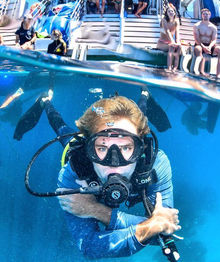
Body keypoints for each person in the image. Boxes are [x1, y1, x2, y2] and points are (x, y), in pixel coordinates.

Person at [14, 90, 177, 260]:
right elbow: (90, 247)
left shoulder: (155, 165)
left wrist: (97, 211)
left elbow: (165, 230)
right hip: (76, 147)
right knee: (61, 129)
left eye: (126, 148)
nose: (115, 162)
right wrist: (150, 226)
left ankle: (144, 96)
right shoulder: (73, 173)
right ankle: (46, 102)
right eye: (102, 148)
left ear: (141, 148)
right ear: (88, 149)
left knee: (138, 116)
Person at [192, 8, 220, 78]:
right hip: (200, 44)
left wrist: (209, 47)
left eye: (207, 14)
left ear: (209, 15)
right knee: (198, 49)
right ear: (202, 16)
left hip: (210, 46)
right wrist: (204, 47)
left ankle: (218, 73)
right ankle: (201, 71)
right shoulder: (197, 26)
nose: (205, 15)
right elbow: (196, 39)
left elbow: (214, 40)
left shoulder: (213, 27)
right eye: (204, 14)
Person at [156, 4, 182, 73]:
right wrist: (173, 42)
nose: (171, 12)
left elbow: (177, 33)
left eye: (172, 11)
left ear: (174, 13)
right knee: (171, 46)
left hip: (170, 42)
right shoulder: (164, 20)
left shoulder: (176, 21)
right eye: (169, 11)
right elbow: (167, 31)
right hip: (162, 42)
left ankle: (175, 68)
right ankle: (169, 68)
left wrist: (178, 42)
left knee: (179, 47)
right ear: (167, 13)